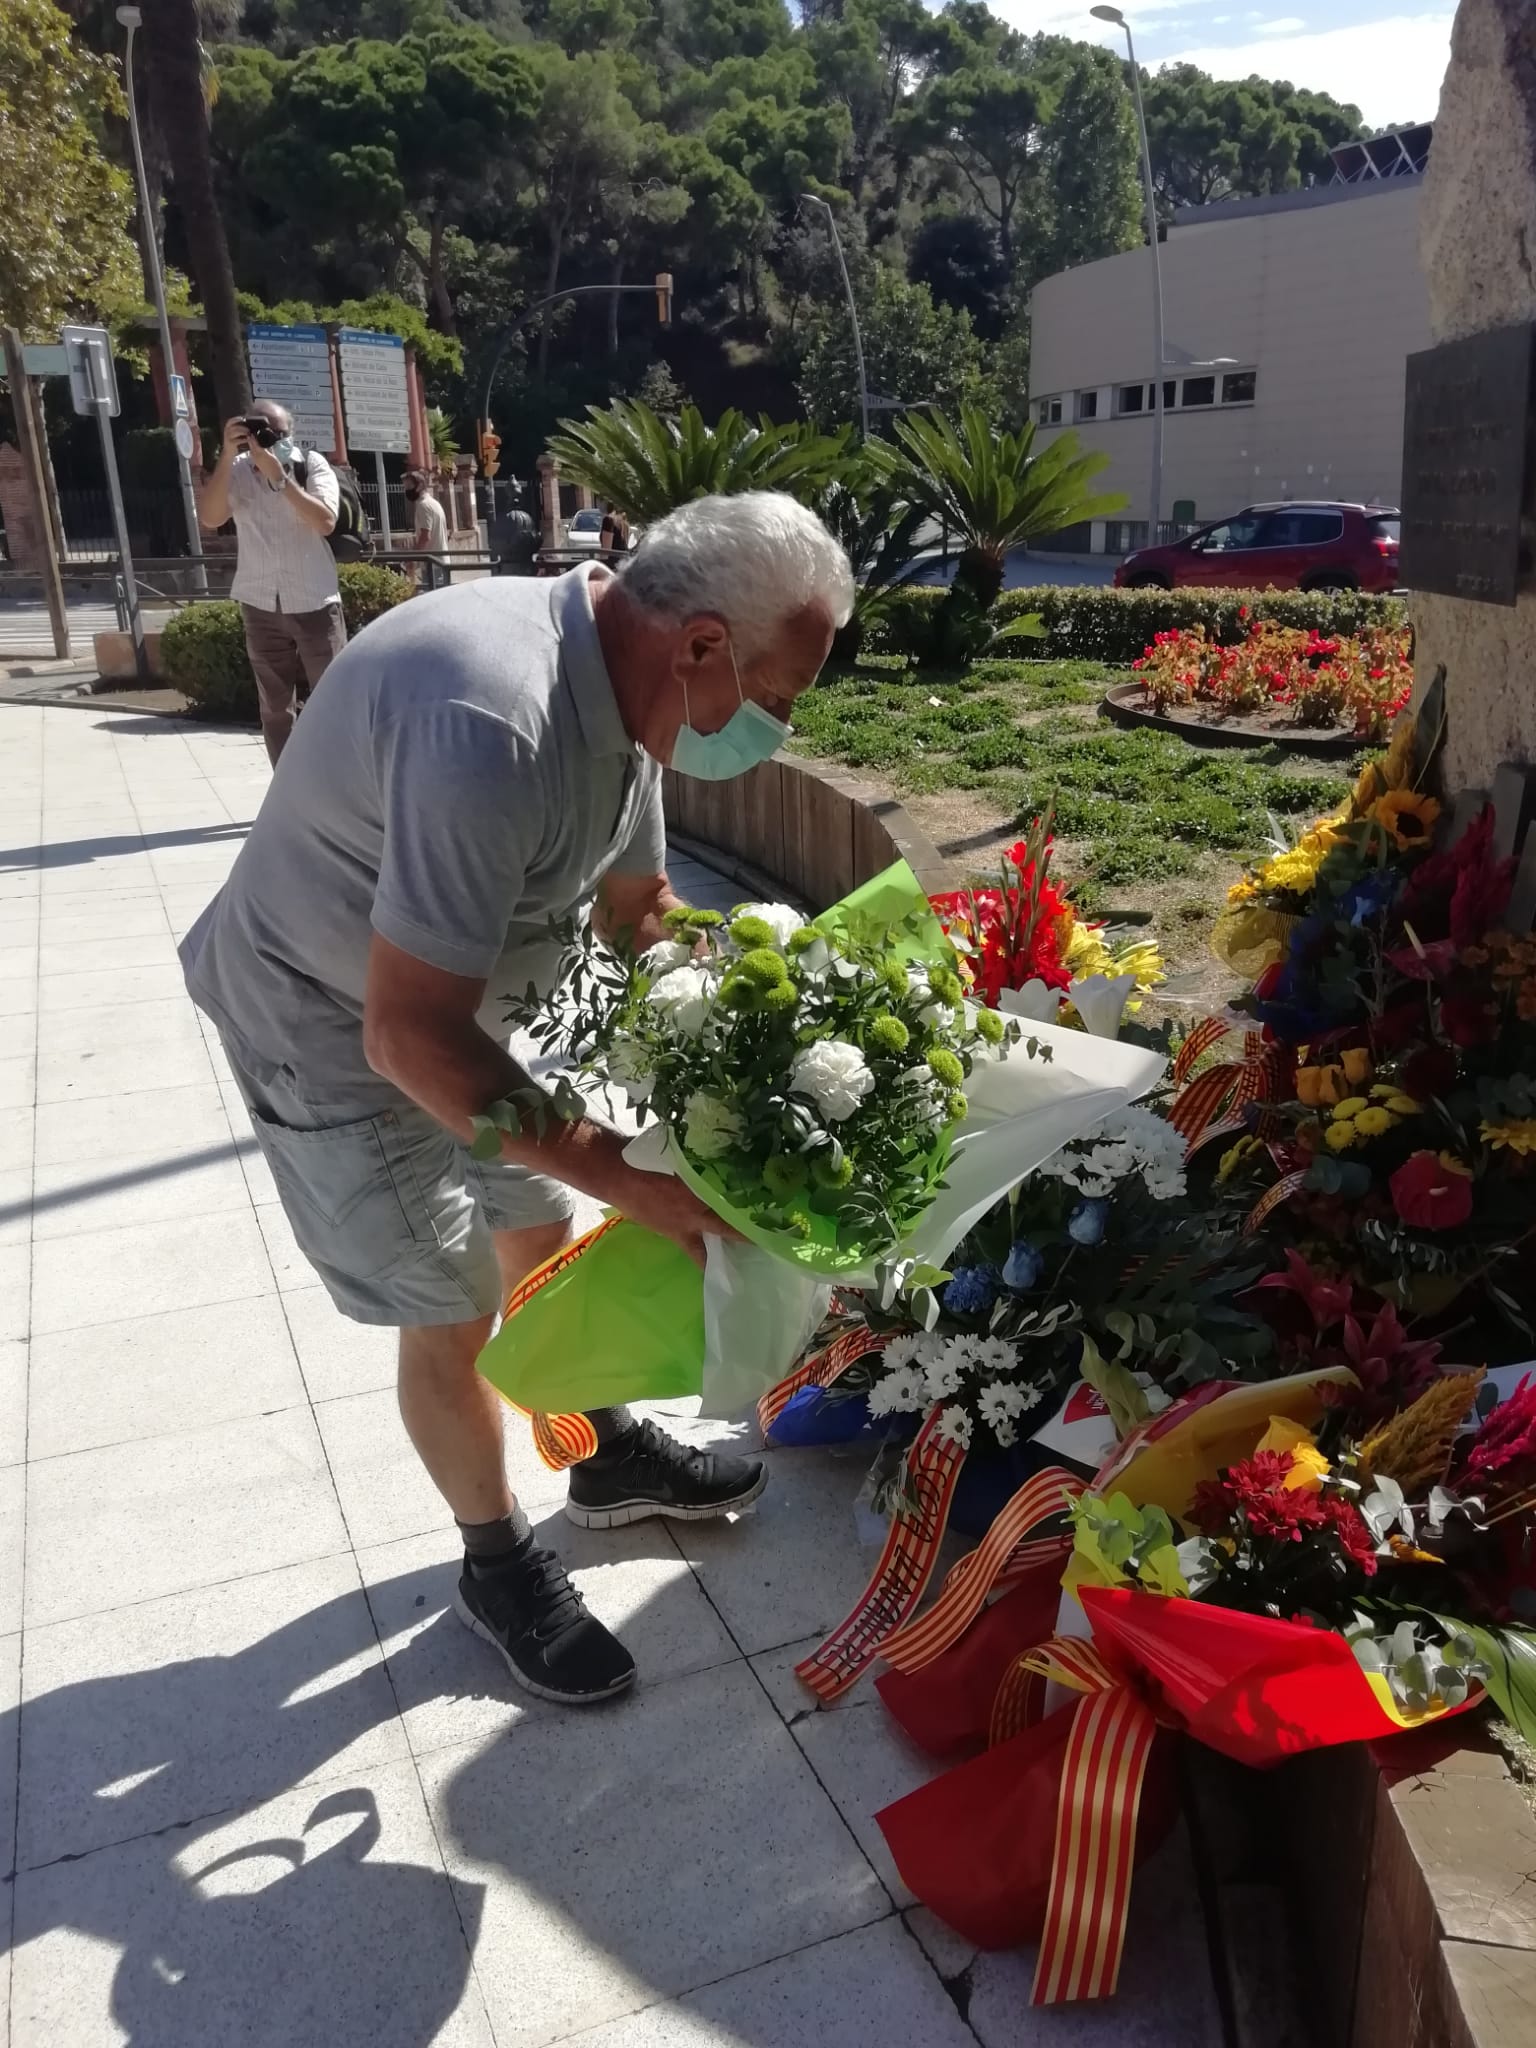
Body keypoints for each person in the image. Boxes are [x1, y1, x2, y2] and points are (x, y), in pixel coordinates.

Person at [180, 492, 854, 1706]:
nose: (779, 723)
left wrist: (776, 1012)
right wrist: (627, 1175)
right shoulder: (491, 718)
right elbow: (406, 1030)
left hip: (462, 1007)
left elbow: (638, 911)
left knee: (534, 1230)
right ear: (702, 643)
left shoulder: (635, 695)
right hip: (331, 1024)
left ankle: (595, 1452)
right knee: (449, 1301)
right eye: (781, 693)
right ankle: (494, 1562)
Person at [198, 399, 347, 767]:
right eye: (258, 430)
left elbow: (326, 521)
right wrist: (227, 453)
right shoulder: (236, 469)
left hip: (315, 600)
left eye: (275, 432)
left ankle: (342, 785)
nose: (267, 438)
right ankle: (287, 789)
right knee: (275, 708)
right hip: (260, 602)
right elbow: (211, 518)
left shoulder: (310, 464)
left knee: (336, 700)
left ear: (289, 433)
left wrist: (279, 477)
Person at [405, 469, 450, 587]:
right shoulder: (434, 503)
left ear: (419, 486)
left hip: (433, 565)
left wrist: (412, 558)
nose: (406, 489)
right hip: (440, 562)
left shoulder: (423, 505)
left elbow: (425, 536)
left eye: (409, 485)